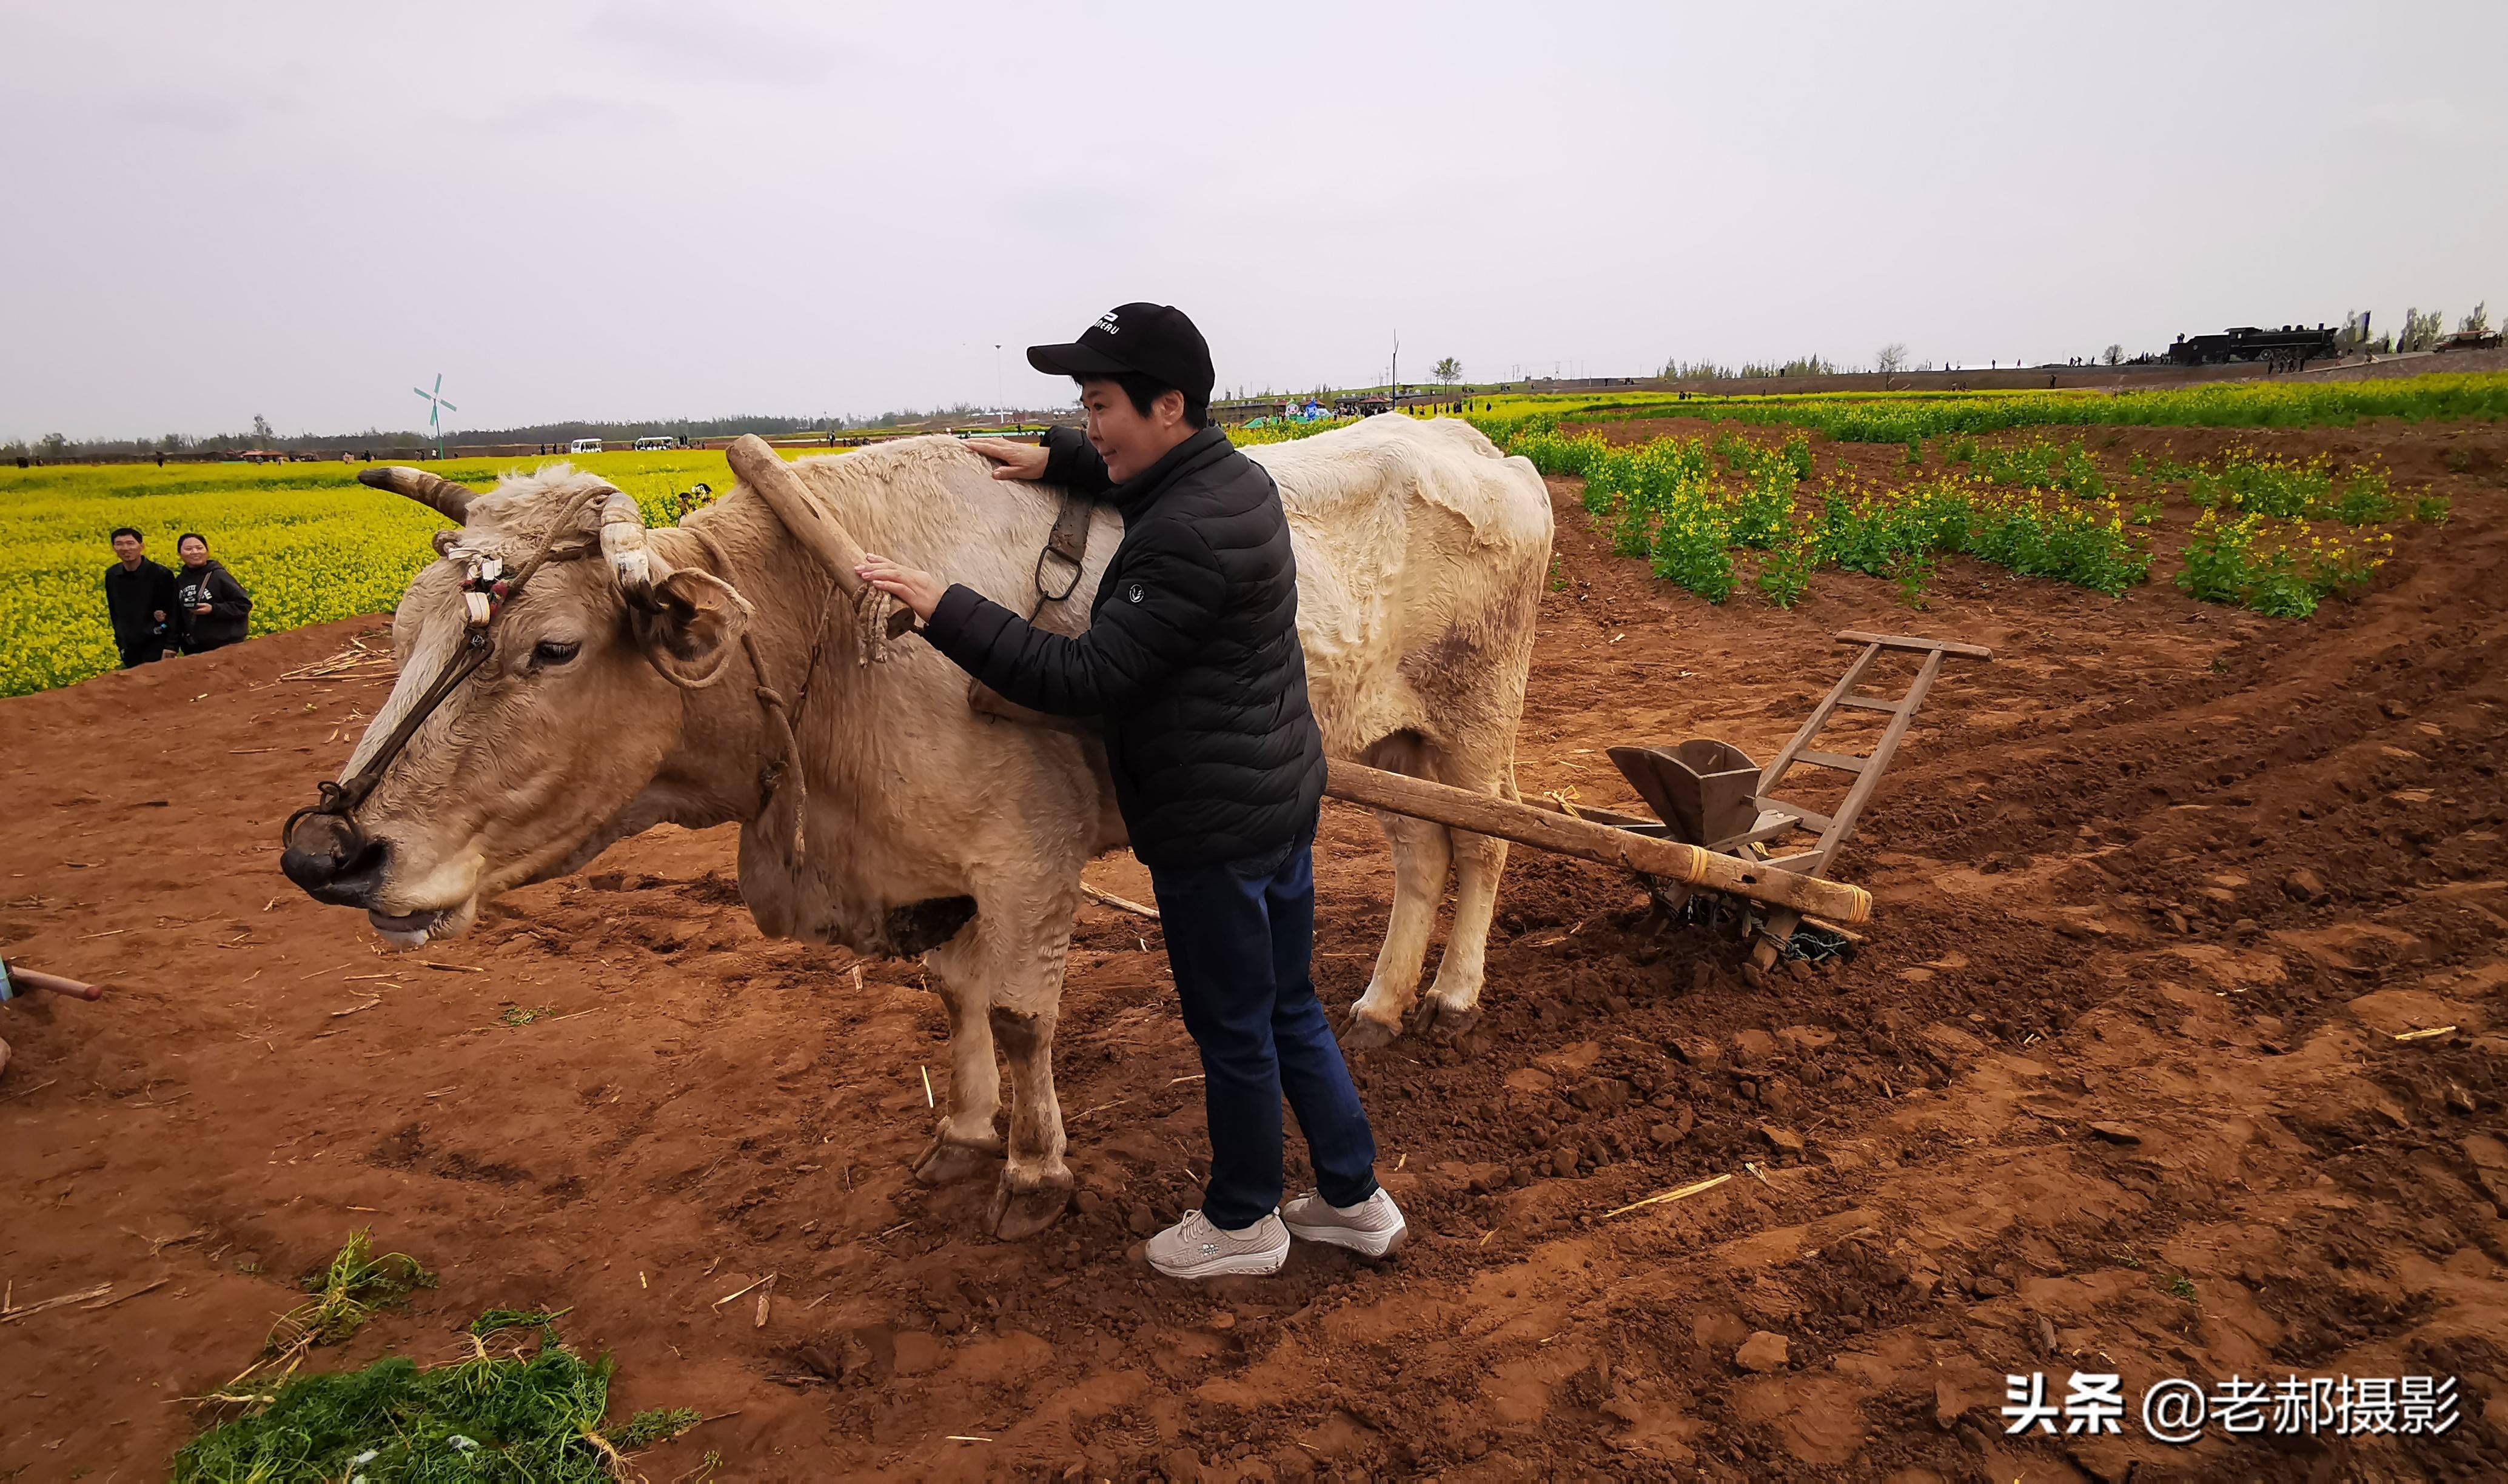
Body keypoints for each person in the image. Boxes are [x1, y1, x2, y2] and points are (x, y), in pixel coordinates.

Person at [854, 303, 1404, 1280]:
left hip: (1210, 826)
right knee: (1288, 1007)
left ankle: (1243, 1222)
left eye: (1099, 404)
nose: (1090, 418)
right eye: (1083, 403)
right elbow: (1153, 487)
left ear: (1169, 404)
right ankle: (1355, 1198)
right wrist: (1064, 459)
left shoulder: (1180, 539)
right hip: (1274, 798)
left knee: (1233, 1029)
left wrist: (946, 607)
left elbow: (1083, 679)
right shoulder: (1232, 483)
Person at [102, 527, 177, 667]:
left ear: (141, 546)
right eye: (119, 544)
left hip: (157, 643)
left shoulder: (160, 574)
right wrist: (121, 644)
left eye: (130, 543)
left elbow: (174, 611)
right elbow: (115, 612)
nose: (125, 548)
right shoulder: (112, 575)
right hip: (130, 646)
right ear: (114, 548)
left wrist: (171, 645)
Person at [170, 533, 252, 654]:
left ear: (207, 551)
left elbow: (244, 604)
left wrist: (213, 609)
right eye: (189, 549)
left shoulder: (219, 576)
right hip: (195, 648)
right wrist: (172, 645)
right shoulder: (180, 581)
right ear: (179, 554)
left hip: (226, 646)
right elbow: (177, 616)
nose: (195, 552)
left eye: (199, 548)